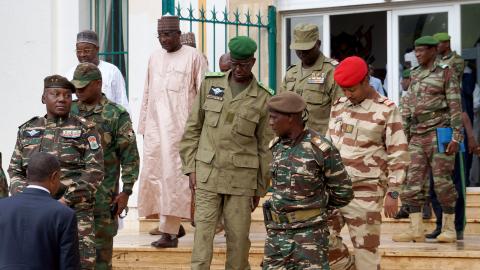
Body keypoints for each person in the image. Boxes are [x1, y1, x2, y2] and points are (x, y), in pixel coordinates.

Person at [179, 36, 273, 270]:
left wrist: (260, 188)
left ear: (252, 62)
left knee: (239, 241)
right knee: (202, 238)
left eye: (243, 64)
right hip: (208, 174)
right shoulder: (211, 85)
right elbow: (193, 128)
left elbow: (264, 146)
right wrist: (190, 168)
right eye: (234, 63)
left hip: (241, 181)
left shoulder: (263, 97)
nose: (238, 69)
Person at [8, 75, 104, 269]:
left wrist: (65, 201)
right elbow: (15, 170)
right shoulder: (27, 130)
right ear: (44, 98)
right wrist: (28, 197)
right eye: (55, 94)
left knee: (79, 264)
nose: (62, 99)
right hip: (33, 215)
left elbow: (95, 171)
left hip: (74, 212)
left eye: (67, 95)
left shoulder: (86, 129)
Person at [327, 56, 410, 270]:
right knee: (318, 239)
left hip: (365, 193)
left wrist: (393, 192)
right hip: (334, 191)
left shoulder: (386, 110)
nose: (347, 94)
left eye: (351, 89)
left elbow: (398, 153)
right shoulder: (339, 106)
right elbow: (329, 146)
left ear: (366, 80)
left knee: (366, 255)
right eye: (343, 89)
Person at [138, 14, 207, 247]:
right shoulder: (154, 58)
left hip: (182, 131)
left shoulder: (194, 57)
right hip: (156, 130)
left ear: (178, 34)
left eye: (168, 34)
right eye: (160, 35)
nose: (163, 39)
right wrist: (144, 126)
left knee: (176, 179)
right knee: (156, 176)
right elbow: (147, 91)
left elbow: (203, 95)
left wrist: (202, 130)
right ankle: (170, 227)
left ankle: (172, 231)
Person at [263, 91, 353, 269]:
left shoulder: (321, 148)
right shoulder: (276, 147)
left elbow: (343, 193)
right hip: (276, 235)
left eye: (274, 118)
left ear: (291, 117)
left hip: (309, 236)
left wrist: (314, 207)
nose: (270, 123)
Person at [70, 63, 140, 269]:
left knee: (101, 260)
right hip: (68, 198)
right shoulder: (69, 110)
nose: (78, 91)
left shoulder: (116, 114)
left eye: (84, 87)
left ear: (98, 84)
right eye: (76, 87)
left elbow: (130, 155)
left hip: (101, 199)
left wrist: (126, 192)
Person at [393, 36, 462, 243]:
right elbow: (406, 107)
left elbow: (455, 106)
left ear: (433, 50)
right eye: (416, 51)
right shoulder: (414, 74)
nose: (418, 54)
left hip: (438, 132)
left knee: (442, 183)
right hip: (416, 134)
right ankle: (416, 230)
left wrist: (456, 137)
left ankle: (449, 229)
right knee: (412, 183)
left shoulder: (445, 72)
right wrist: (402, 137)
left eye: (422, 50)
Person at [0, 152, 80, 270]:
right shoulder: (64, 215)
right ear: (54, 176)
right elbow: (69, 266)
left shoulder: (2, 206)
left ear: (27, 174)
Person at [279, 23, 342, 135]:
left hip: (320, 142)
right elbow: (281, 108)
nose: (302, 53)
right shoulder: (291, 73)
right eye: (298, 49)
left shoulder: (332, 71)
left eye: (307, 49)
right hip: (292, 141)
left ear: (318, 44)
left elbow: (340, 113)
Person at [66, 30, 129, 112]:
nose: (82, 55)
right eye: (79, 51)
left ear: (97, 49)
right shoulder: (70, 73)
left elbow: (122, 100)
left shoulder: (112, 71)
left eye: (87, 51)